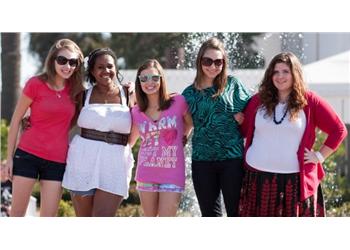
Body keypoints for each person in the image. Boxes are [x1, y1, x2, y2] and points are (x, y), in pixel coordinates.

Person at [239, 52, 348, 216]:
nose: (280, 76)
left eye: (285, 71)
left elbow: (339, 129)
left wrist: (319, 156)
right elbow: (242, 130)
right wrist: (238, 118)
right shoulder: (258, 100)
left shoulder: (310, 101)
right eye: (276, 72)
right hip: (257, 180)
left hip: (294, 183)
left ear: (295, 73)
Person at [5, 38, 84, 216]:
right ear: (53, 60)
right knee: (17, 214)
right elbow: (16, 119)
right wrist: (9, 158)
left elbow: (73, 120)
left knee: (49, 216)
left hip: (57, 160)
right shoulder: (35, 84)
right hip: (27, 155)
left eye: (73, 62)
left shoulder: (76, 90)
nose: (67, 66)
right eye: (62, 60)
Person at [182, 37, 251, 217]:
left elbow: (254, 108)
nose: (213, 66)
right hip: (202, 161)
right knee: (210, 216)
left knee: (237, 214)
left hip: (232, 161)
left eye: (218, 62)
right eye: (208, 61)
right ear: (199, 61)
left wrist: (244, 119)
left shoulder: (233, 85)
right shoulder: (188, 94)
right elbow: (186, 124)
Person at [62, 48, 135, 217]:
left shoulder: (128, 94)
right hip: (82, 161)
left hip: (115, 163)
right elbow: (62, 124)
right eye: (100, 67)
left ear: (116, 68)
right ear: (93, 71)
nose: (106, 71)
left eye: (110, 66)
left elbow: (150, 109)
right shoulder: (83, 96)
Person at [129, 59, 193, 217]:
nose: (149, 82)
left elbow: (191, 124)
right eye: (144, 79)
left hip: (172, 172)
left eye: (154, 78)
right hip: (146, 171)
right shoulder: (136, 111)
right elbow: (130, 142)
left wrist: (182, 137)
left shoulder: (178, 101)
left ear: (161, 79)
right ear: (139, 82)